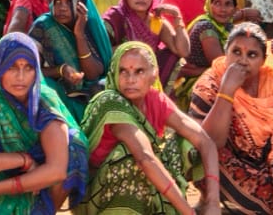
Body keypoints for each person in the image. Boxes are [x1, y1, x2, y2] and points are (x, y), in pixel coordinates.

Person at [189, 23, 273, 214]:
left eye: (252, 55)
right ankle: (211, 201)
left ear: (263, 60)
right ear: (225, 53)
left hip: (269, 160)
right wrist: (226, 92)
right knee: (208, 153)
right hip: (228, 163)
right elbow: (210, 142)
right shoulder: (211, 82)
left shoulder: (270, 78)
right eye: (236, 52)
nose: (243, 60)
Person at [75, 42, 222, 215]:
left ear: (154, 75)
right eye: (123, 71)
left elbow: (205, 142)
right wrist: (187, 212)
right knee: (128, 155)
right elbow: (145, 158)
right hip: (96, 193)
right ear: (114, 72)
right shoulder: (111, 102)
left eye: (139, 71)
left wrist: (213, 202)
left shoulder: (154, 99)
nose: (130, 79)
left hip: (141, 183)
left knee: (184, 143)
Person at [0, 32, 89, 214]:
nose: (21, 76)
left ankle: (40, 210)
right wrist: (23, 161)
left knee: (74, 147)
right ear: (0, 66)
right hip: (1, 168)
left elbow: (56, 170)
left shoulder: (45, 101)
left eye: (29, 67)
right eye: (12, 67)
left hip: (36, 182)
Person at [30, 0, 114, 120]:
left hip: (91, 92)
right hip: (58, 91)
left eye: (69, 2)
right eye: (58, 1)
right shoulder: (44, 26)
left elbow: (93, 74)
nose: (62, 7)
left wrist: (79, 34)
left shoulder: (89, 25)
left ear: (81, 4)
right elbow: (29, 69)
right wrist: (61, 70)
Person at [103, 0, 189, 91]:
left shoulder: (156, 21)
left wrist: (177, 16)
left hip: (147, 75)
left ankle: (156, 99)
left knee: (172, 56)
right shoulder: (116, 17)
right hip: (121, 72)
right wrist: (131, 48)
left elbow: (182, 51)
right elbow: (102, 51)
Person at [174, 0, 240, 107]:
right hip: (196, 82)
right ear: (209, 5)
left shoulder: (229, 27)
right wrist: (201, 71)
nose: (222, 9)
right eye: (217, 3)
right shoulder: (206, 27)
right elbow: (220, 65)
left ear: (235, 9)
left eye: (227, 4)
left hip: (209, 75)